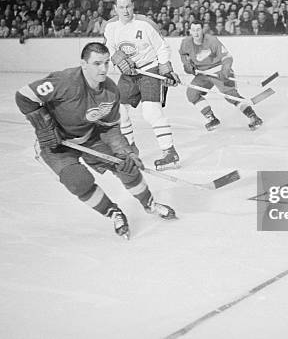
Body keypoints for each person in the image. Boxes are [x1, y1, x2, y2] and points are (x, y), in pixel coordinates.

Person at [15, 42, 176, 239]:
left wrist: (125, 153)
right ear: (84, 64)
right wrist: (44, 125)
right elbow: (23, 96)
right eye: (97, 63)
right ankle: (113, 212)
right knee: (78, 182)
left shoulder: (110, 91)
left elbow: (110, 128)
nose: (103, 69)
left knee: (126, 166)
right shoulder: (64, 81)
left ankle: (149, 203)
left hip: (90, 137)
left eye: (107, 63)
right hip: (57, 145)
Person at [103, 0, 182, 170]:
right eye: (121, 7)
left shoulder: (145, 24)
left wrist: (166, 68)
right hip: (129, 74)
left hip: (149, 69)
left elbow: (162, 47)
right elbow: (109, 46)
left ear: (133, 6)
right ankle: (130, 149)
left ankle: (169, 152)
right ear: (115, 9)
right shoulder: (110, 26)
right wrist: (117, 57)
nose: (125, 10)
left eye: (128, 6)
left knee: (151, 112)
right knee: (119, 111)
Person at [178, 20, 263, 131]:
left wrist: (225, 70)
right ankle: (211, 118)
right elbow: (183, 55)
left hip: (219, 70)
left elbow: (227, 57)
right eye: (193, 30)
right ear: (190, 31)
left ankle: (253, 117)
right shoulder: (186, 43)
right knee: (192, 93)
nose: (196, 33)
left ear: (203, 29)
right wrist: (188, 66)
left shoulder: (212, 41)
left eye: (198, 29)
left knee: (231, 96)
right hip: (203, 73)